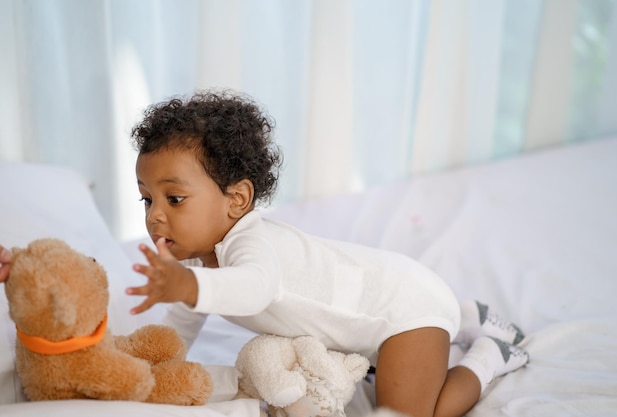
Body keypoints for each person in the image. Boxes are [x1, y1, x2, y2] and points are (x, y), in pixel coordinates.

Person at [1, 89, 529, 417]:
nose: (155, 215)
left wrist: (189, 286)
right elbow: (181, 329)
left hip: (404, 311)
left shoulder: (251, 244)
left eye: (175, 198)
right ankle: (463, 318)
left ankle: (488, 356)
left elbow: (255, 287)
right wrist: (140, 363)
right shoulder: (197, 264)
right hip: (371, 314)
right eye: (147, 199)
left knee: (414, 415)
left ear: (237, 199)